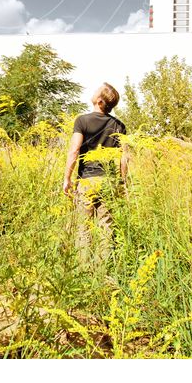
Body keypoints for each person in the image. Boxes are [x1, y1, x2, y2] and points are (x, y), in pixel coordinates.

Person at [62, 83, 128, 255]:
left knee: (84, 227)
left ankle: (85, 272)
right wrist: (122, 183)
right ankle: (103, 272)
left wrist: (67, 179)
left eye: (96, 91)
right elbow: (124, 158)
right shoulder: (119, 126)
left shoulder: (82, 121)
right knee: (106, 227)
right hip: (108, 182)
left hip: (87, 181)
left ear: (99, 101)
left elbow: (74, 150)